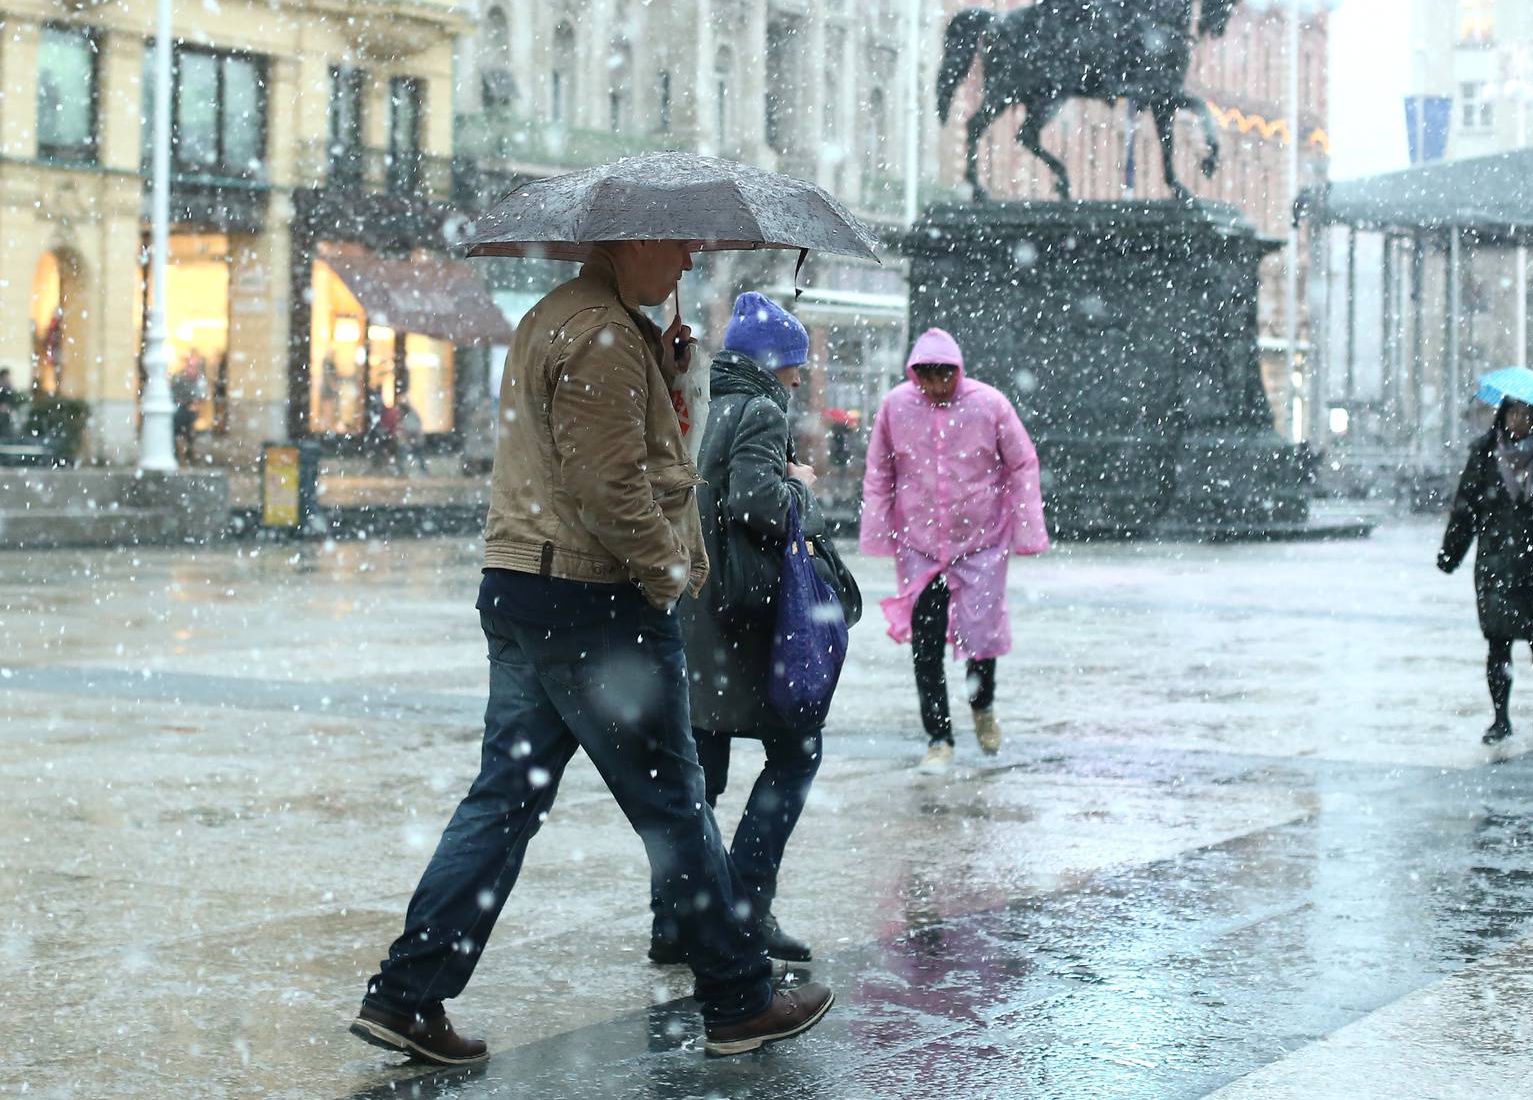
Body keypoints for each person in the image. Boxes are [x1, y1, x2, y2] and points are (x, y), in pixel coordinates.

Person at [351, 242, 831, 1066]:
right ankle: (738, 997)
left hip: (528, 588)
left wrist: (669, 372)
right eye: (674, 246)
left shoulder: (568, 322)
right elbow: (609, 486)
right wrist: (672, 571)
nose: (683, 261)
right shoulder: (601, 337)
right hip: (593, 601)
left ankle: (408, 994)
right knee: (675, 803)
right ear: (632, 242)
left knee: (505, 800)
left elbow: (619, 452)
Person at [670, 291, 826, 966]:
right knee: (796, 753)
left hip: (695, 606)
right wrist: (799, 483)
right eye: (795, 366)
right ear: (777, 364)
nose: (797, 379)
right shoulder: (762, 408)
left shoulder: (705, 401)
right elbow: (757, 502)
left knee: (696, 773)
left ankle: (678, 919)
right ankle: (746, 903)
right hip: (743, 616)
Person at [859, 328, 1049, 774]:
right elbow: (879, 471)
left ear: (957, 371)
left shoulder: (990, 405)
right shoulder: (896, 407)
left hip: (980, 543)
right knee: (926, 643)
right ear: (915, 374)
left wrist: (1026, 530)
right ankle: (938, 736)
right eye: (927, 375)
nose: (936, 384)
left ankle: (982, 709)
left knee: (980, 638)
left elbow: (1021, 463)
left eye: (944, 374)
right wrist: (879, 530)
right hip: (920, 545)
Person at [1437, 399, 1533, 743]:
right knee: (1497, 643)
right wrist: (1451, 552)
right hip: (1497, 559)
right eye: (1513, 413)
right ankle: (1500, 717)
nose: (1519, 421)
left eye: (1527, 415)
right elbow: (1465, 505)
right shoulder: (1485, 452)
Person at [0, 367, 20, 440]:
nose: (9, 380)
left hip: (7, 420)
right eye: (7, 378)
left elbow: (13, 404)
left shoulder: (10, 390)